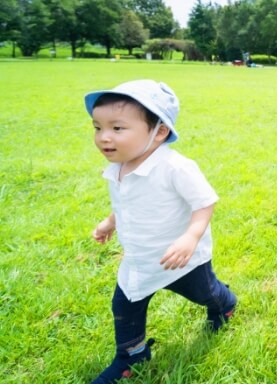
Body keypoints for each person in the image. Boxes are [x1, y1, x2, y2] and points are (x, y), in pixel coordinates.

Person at [85, 80, 237, 383]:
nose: (104, 137)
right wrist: (110, 222)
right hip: (139, 260)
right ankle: (132, 355)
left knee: (205, 293)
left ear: (159, 132)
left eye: (117, 128)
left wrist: (190, 237)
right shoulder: (120, 166)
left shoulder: (175, 167)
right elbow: (126, 202)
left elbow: (204, 203)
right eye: (97, 127)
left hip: (180, 259)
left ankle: (226, 304)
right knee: (124, 305)